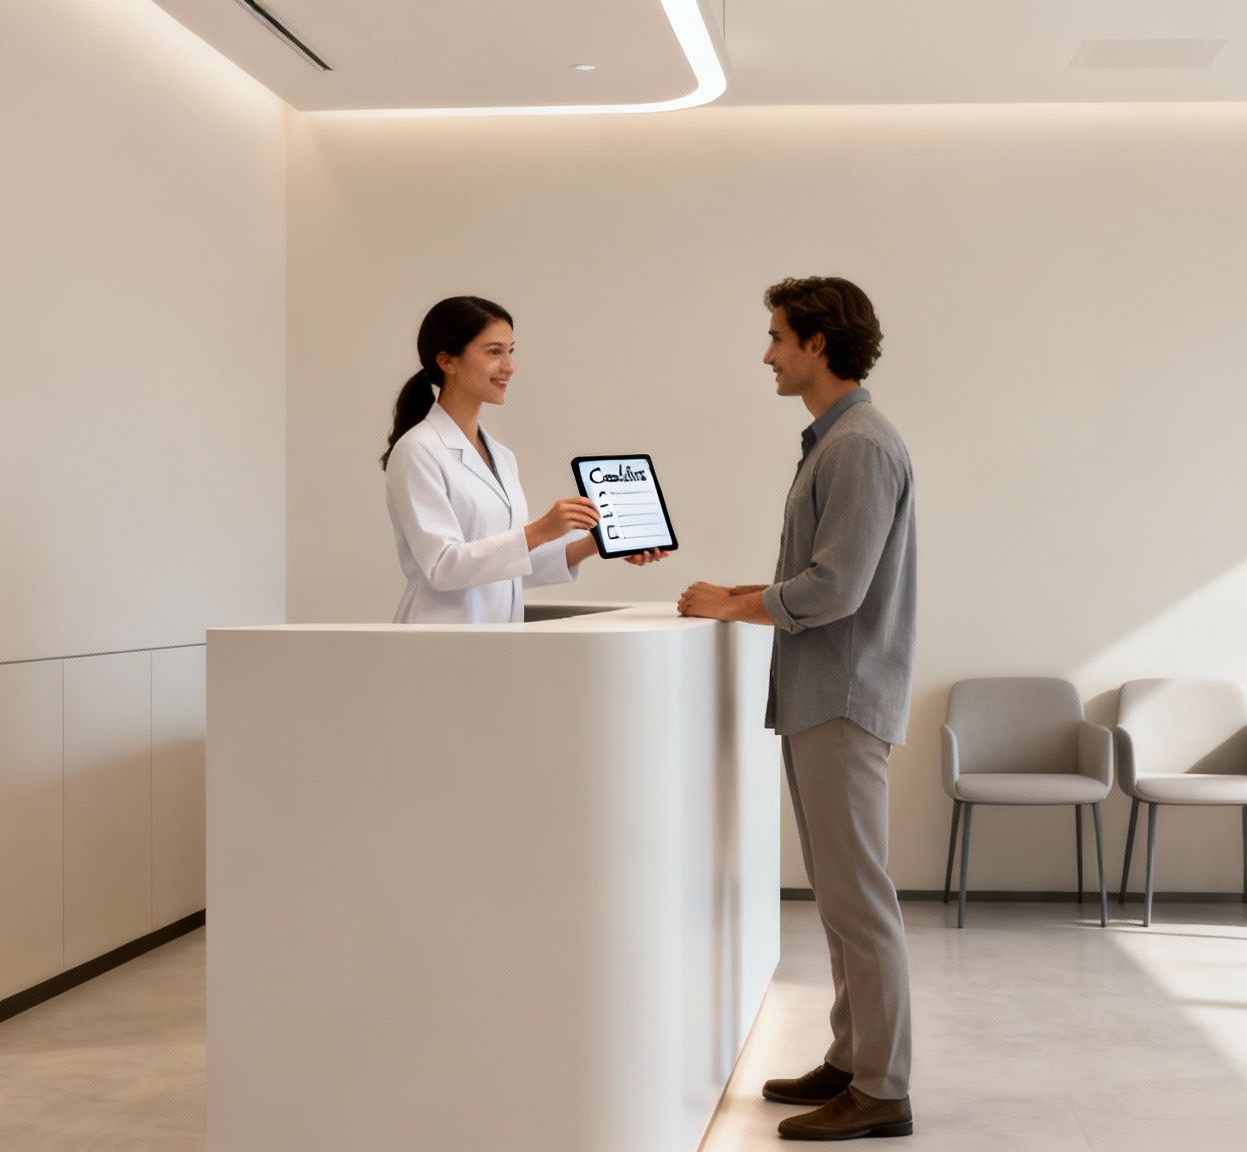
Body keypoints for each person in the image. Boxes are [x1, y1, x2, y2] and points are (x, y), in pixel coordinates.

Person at [678, 277, 917, 1141]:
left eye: (778, 336)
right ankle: (853, 1059)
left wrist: (740, 605)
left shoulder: (856, 446)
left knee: (860, 896)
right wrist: (743, 592)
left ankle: (883, 1088)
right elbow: (818, 576)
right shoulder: (836, 441)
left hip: (843, 698)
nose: (768, 353)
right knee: (841, 895)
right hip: (824, 694)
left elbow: (837, 587)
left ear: (819, 343)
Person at [383, 296, 661, 623]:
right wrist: (540, 530)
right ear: (447, 361)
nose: (509, 366)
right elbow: (443, 567)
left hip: (501, 645)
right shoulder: (417, 450)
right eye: (494, 352)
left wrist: (596, 544)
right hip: (439, 641)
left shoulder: (502, 456)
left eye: (510, 351)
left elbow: (508, 569)